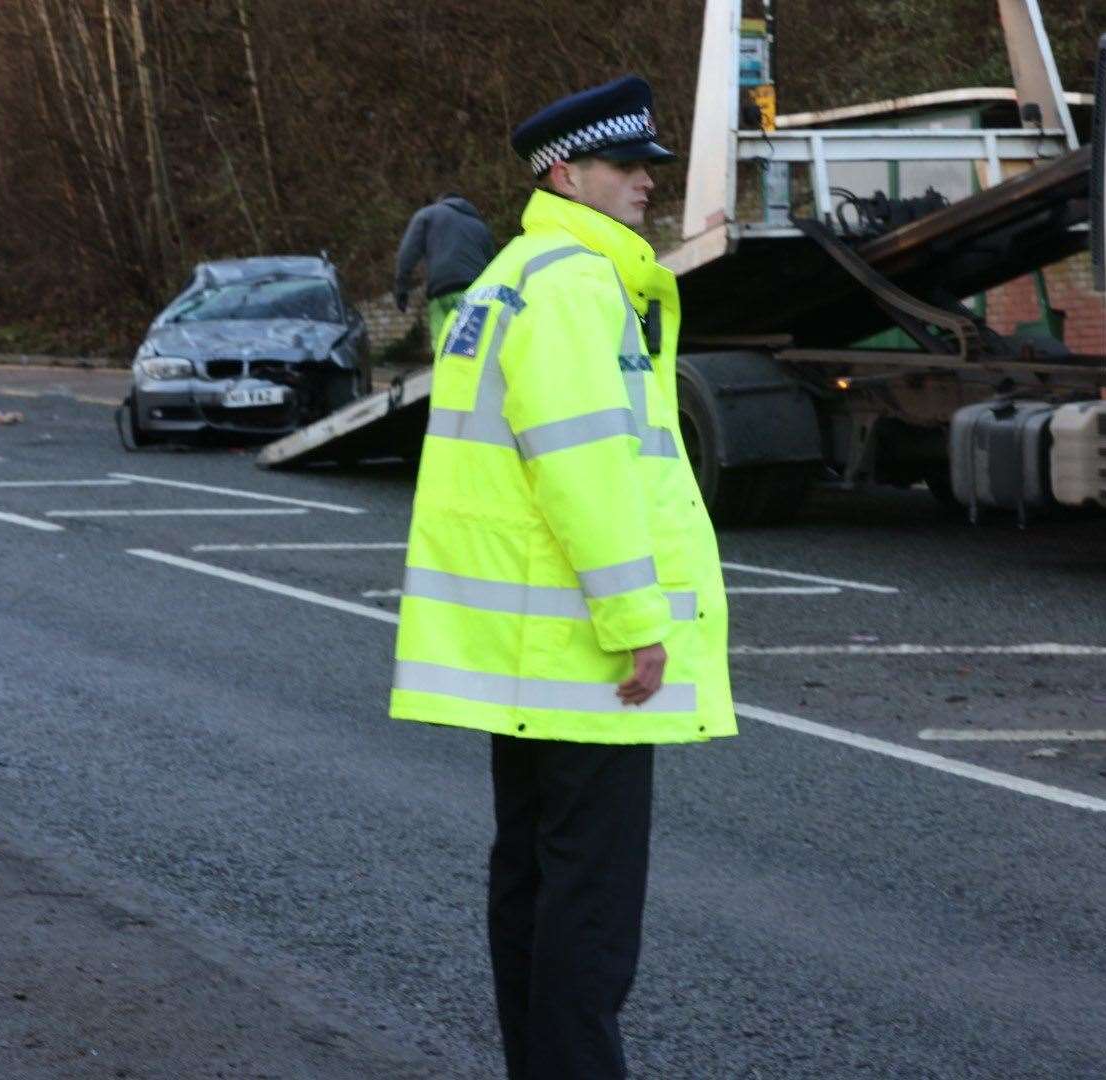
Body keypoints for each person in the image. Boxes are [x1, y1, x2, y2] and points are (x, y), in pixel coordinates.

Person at [388, 75, 736, 1079]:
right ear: (566, 172)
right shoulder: (579, 287)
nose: (645, 185)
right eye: (626, 167)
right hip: (589, 660)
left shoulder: (517, 275)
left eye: (648, 168)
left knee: (534, 884)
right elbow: (586, 473)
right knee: (589, 911)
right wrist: (638, 623)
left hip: (532, 657)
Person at [393, 192, 496, 347]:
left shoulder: (427, 215)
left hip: (441, 291)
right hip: (475, 293)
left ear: (440, 201)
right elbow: (494, 266)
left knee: (443, 346)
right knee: (473, 347)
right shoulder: (480, 226)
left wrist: (401, 285)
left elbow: (408, 251)